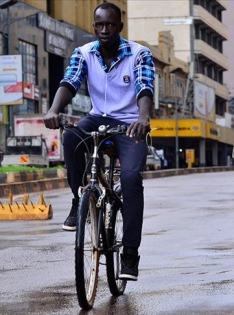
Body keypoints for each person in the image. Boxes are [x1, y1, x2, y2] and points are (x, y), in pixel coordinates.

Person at [43, 2, 155, 281]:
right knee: (71, 137)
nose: (104, 30)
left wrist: (143, 118)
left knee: (130, 180)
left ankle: (130, 254)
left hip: (130, 124)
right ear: (94, 27)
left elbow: (144, 86)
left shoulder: (139, 54)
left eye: (110, 24)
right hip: (97, 118)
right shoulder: (84, 53)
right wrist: (54, 109)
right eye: (99, 25)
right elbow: (70, 82)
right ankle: (78, 196)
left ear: (120, 26)